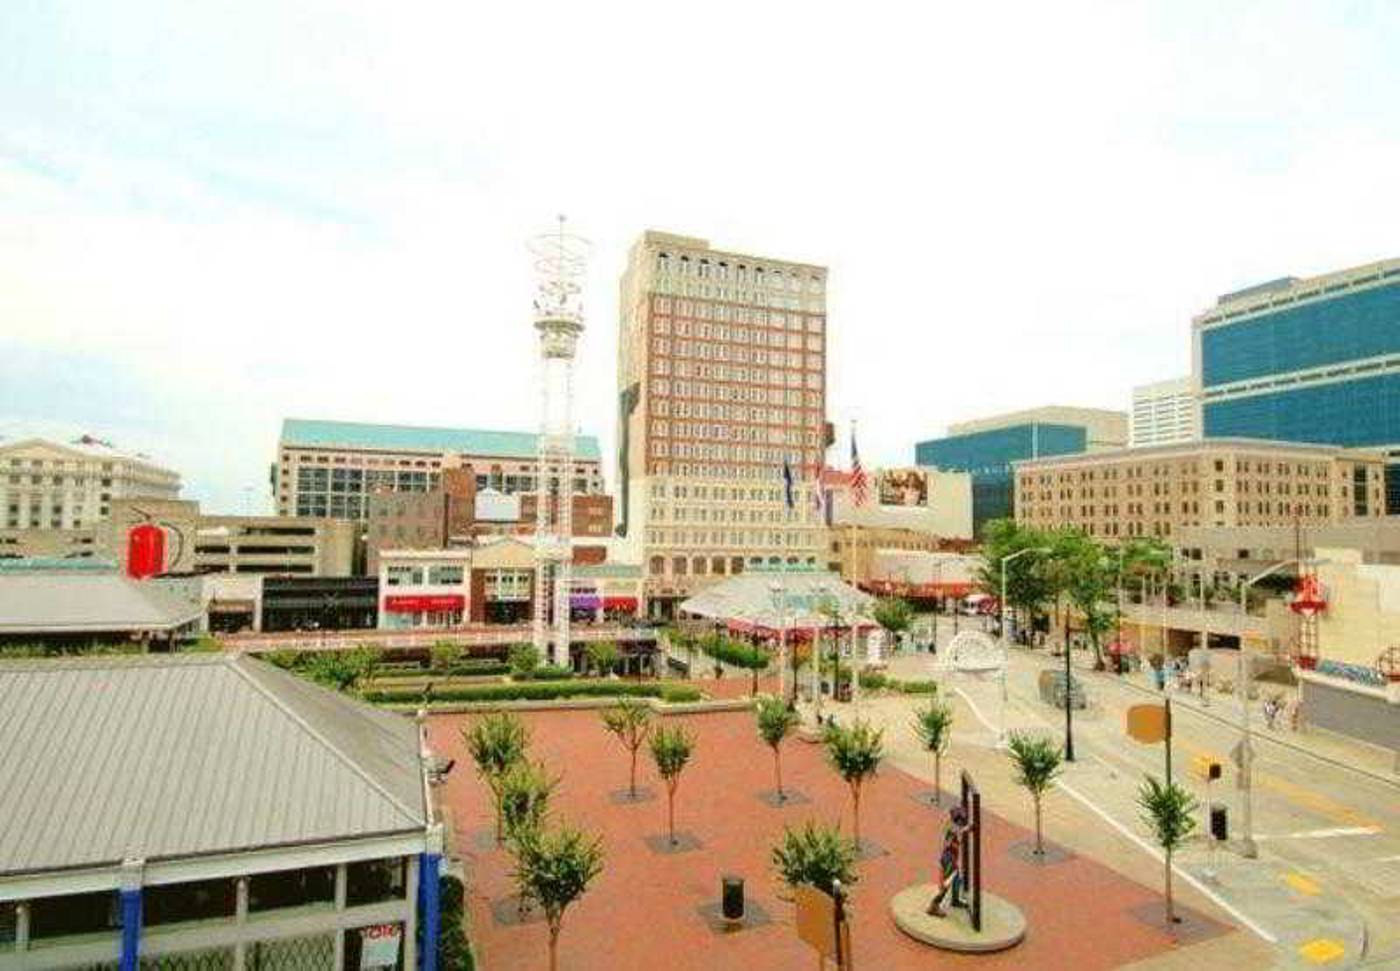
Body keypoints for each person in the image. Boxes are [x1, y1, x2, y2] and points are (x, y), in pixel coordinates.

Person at [926, 805, 971, 917]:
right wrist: (969, 828)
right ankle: (934, 905)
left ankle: (955, 900)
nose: (964, 822)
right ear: (958, 820)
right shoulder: (953, 828)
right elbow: (960, 831)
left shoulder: (950, 824)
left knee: (956, 879)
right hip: (949, 859)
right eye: (962, 820)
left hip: (949, 857)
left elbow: (960, 830)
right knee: (946, 884)